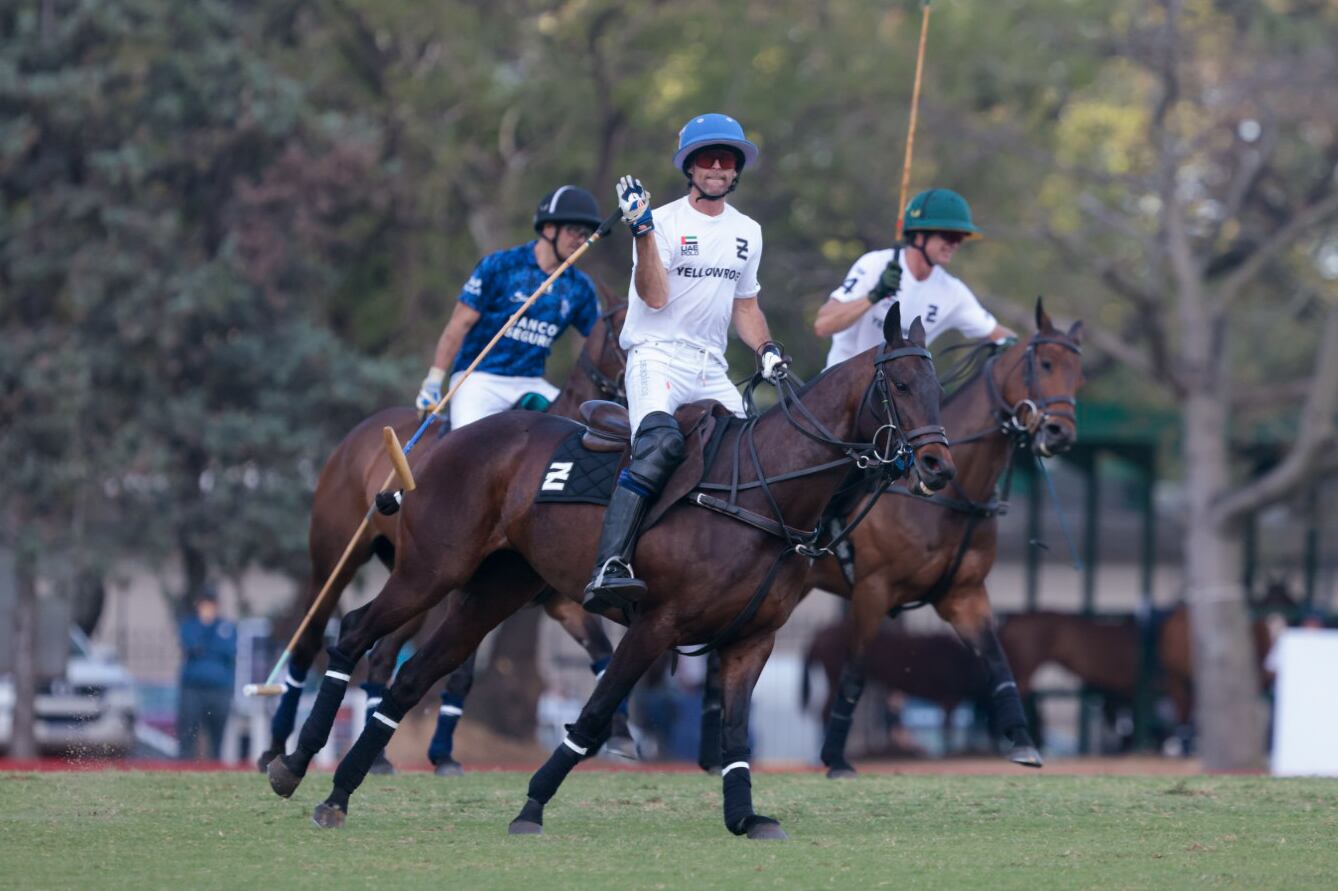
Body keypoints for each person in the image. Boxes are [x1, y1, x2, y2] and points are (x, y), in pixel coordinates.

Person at [583, 113, 787, 617]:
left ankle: (738, 565)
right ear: (690, 166)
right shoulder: (663, 223)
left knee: (754, 456)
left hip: (710, 366)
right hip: (657, 356)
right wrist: (643, 232)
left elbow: (746, 305)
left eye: (727, 159)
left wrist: (766, 349)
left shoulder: (748, 232)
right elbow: (652, 298)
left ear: (737, 169)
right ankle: (610, 563)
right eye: (707, 158)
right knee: (659, 445)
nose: (717, 167)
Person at [415, 186, 605, 427]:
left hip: (530, 383)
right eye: (574, 231)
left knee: (577, 432)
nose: (581, 240)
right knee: (466, 446)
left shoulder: (580, 287)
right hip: (479, 379)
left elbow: (599, 340)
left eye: (586, 234)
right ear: (549, 228)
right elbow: (459, 324)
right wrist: (434, 380)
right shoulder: (500, 266)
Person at [813, 188, 1015, 364]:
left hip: (892, 401)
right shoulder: (875, 265)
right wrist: (874, 296)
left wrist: (1020, 346)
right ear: (919, 234)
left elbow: (995, 333)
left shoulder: (953, 292)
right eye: (949, 235)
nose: (955, 244)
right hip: (842, 392)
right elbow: (823, 325)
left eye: (960, 238)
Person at [176, 587, 236, 760]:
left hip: (219, 689)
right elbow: (192, 645)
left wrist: (207, 648)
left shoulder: (226, 627)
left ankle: (215, 765)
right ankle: (184, 765)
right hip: (193, 689)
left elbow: (229, 650)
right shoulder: (190, 625)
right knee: (188, 732)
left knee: (217, 735)